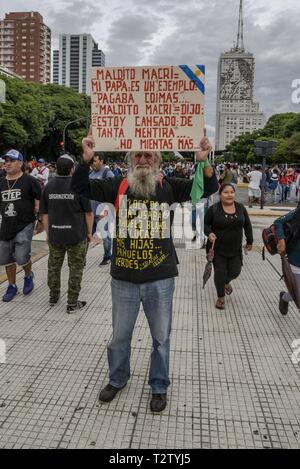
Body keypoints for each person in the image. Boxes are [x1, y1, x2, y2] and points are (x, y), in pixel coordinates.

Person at [71, 128, 218, 413]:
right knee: (119, 336)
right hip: (123, 278)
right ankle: (117, 379)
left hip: (160, 277)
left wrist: (204, 160)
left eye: (148, 154)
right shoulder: (117, 185)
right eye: (137, 154)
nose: (142, 159)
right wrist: (86, 158)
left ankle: (159, 385)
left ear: (157, 160)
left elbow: (207, 189)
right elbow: (80, 189)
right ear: (129, 159)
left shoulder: (170, 185)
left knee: (161, 338)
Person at [40, 154, 93, 312]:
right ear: (72, 169)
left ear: (56, 168)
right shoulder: (80, 186)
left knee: (54, 267)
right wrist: (89, 233)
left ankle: (53, 296)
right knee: (75, 269)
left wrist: (48, 233)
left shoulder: (48, 186)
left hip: (56, 234)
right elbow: (88, 213)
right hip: (76, 235)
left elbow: (44, 214)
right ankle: (72, 302)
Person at [0, 149, 41, 302]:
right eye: (6, 161)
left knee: (21, 256)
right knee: (6, 258)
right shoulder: (1, 180)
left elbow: (40, 198)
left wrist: (41, 219)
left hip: (25, 223)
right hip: (6, 225)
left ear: (20, 163)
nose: (7, 163)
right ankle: (11, 286)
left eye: (11, 160)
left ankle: (28, 275)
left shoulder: (29, 180)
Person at [204, 184, 253, 310]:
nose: (229, 194)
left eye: (232, 192)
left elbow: (247, 225)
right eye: (226, 192)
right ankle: (220, 297)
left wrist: (249, 241)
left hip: (235, 249)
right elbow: (205, 224)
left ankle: (226, 283)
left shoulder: (241, 208)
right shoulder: (214, 209)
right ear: (220, 195)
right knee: (220, 272)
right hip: (217, 249)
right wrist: (209, 233)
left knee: (235, 272)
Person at [89, 151, 114, 265]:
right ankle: (81, 259)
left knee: (105, 235)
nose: (92, 163)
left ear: (101, 161)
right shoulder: (91, 173)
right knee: (87, 234)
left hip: (102, 211)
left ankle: (107, 256)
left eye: (95, 161)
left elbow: (112, 191)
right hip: (90, 211)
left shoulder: (108, 174)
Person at [275, 207, 300, 315]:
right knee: (297, 293)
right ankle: (285, 298)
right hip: (296, 259)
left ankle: (285, 297)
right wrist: (281, 240)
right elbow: (278, 222)